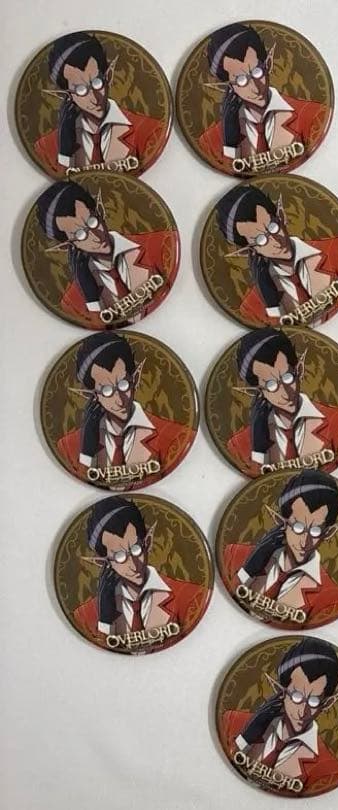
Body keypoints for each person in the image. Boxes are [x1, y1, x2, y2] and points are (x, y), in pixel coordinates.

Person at [37, 179, 173, 327]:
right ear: (68, 245)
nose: (96, 236)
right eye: (80, 234)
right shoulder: (72, 303)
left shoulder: (161, 244)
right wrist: (92, 299)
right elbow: (101, 329)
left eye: (92, 221)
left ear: (100, 211)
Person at [222, 470, 338, 624]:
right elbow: (223, 606)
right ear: (281, 522)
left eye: (315, 531)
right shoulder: (233, 555)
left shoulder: (332, 600)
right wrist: (247, 571)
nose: (304, 542)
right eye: (298, 527)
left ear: (328, 532)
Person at [56, 332, 194, 477]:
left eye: (123, 385)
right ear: (93, 396)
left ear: (135, 379)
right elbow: (79, 481)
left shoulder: (176, 436)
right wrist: (86, 454)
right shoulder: (68, 447)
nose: (120, 400)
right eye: (107, 390)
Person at [227, 328, 338, 474]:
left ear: (299, 369)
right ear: (258, 392)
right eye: (271, 385)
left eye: (288, 377)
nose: (286, 393)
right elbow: (259, 482)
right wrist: (258, 451)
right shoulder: (238, 446)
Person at [215, 184, 338, 325]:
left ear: (281, 216)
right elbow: (281, 332)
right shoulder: (250, 309)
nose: (276, 241)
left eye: (273, 227)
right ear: (250, 250)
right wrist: (272, 304)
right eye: (261, 239)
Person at [73, 496, 208, 642]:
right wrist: (105, 622)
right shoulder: (84, 616)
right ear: (104, 563)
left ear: (148, 542)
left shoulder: (191, 596)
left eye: (136, 549)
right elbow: (97, 652)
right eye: (120, 557)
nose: (133, 564)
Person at [221, 637, 338, 791]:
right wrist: (245, 739)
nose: (302, 711)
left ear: (327, 703)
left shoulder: (328, 771)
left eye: (313, 701)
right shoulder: (231, 722)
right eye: (296, 696)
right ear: (280, 691)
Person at [198, 23, 329, 171]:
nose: (255, 87)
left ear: (268, 64)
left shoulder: (314, 115)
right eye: (241, 80)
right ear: (228, 87)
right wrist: (230, 147)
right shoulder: (210, 141)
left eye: (257, 72)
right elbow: (227, 174)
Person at [35, 31, 166, 174]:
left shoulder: (149, 131)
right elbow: (64, 183)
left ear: (108, 76)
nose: (94, 98)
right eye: (80, 90)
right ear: (67, 96)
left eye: (97, 83)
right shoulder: (46, 147)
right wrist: (65, 155)